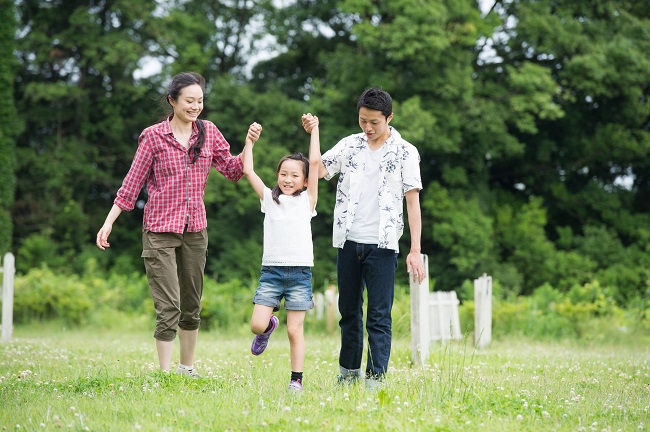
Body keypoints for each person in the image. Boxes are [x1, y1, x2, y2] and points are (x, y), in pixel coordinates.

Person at [96, 72, 251, 378]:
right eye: (189, 101)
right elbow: (132, 184)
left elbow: (233, 171)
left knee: (191, 306)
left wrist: (248, 144)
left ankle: (187, 368)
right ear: (173, 101)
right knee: (169, 306)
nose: (196, 106)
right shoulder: (153, 137)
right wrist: (108, 222)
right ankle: (165, 374)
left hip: (196, 230)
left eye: (200, 101)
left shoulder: (209, 133)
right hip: (159, 231)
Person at [302, 88, 425, 387]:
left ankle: (376, 378)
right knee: (349, 312)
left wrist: (414, 249)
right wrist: (314, 133)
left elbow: (412, 202)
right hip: (348, 241)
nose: (367, 128)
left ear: (389, 118)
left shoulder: (406, 152)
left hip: (383, 245)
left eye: (374, 122)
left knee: (379, 316)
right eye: (362, 121)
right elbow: (316, 171)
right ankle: (348, 373)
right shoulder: (349, 145)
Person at [242, 115, 321, 392]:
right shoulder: (269, 200)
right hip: (272, 273)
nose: (288, 179)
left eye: (294, 175)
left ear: (305, 180)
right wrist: (250, 141)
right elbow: (249, 171)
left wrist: (314, 131)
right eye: (283, 174)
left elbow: (314, 163)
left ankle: (296, 380)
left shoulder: (307, 201)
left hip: (300, 274)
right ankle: (268, 327)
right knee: (255, 325)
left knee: (294, 330)